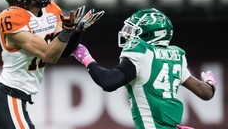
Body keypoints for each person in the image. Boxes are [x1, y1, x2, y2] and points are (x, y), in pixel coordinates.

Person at [0, 0, 105, 129]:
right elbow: (49, 55)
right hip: (9, 97)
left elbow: (63, 51)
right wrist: (67, 30)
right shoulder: (12, 17)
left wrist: (78, 31)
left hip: (14, 99)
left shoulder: (50, 9)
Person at [72, 8, 217, 129]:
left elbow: (109, 81)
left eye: (136, 31)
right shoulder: (176, 55)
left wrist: (86, 58)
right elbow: (206, 93)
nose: (129, 35)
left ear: (151, 34)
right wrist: (210, 83)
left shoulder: (142, 52)